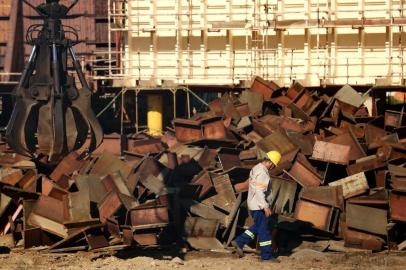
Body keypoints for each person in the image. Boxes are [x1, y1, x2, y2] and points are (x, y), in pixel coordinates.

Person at [232, 150, 282, 262]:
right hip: (259, 206)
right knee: (264, 231)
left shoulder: (256, 168)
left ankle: (239, 241)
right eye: (273, 165)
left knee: (257, 227)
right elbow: (260, 191)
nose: (273, 168)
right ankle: (266, 256)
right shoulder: (263, 173)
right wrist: (265, 206)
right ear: (271, 163)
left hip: (254, 204)